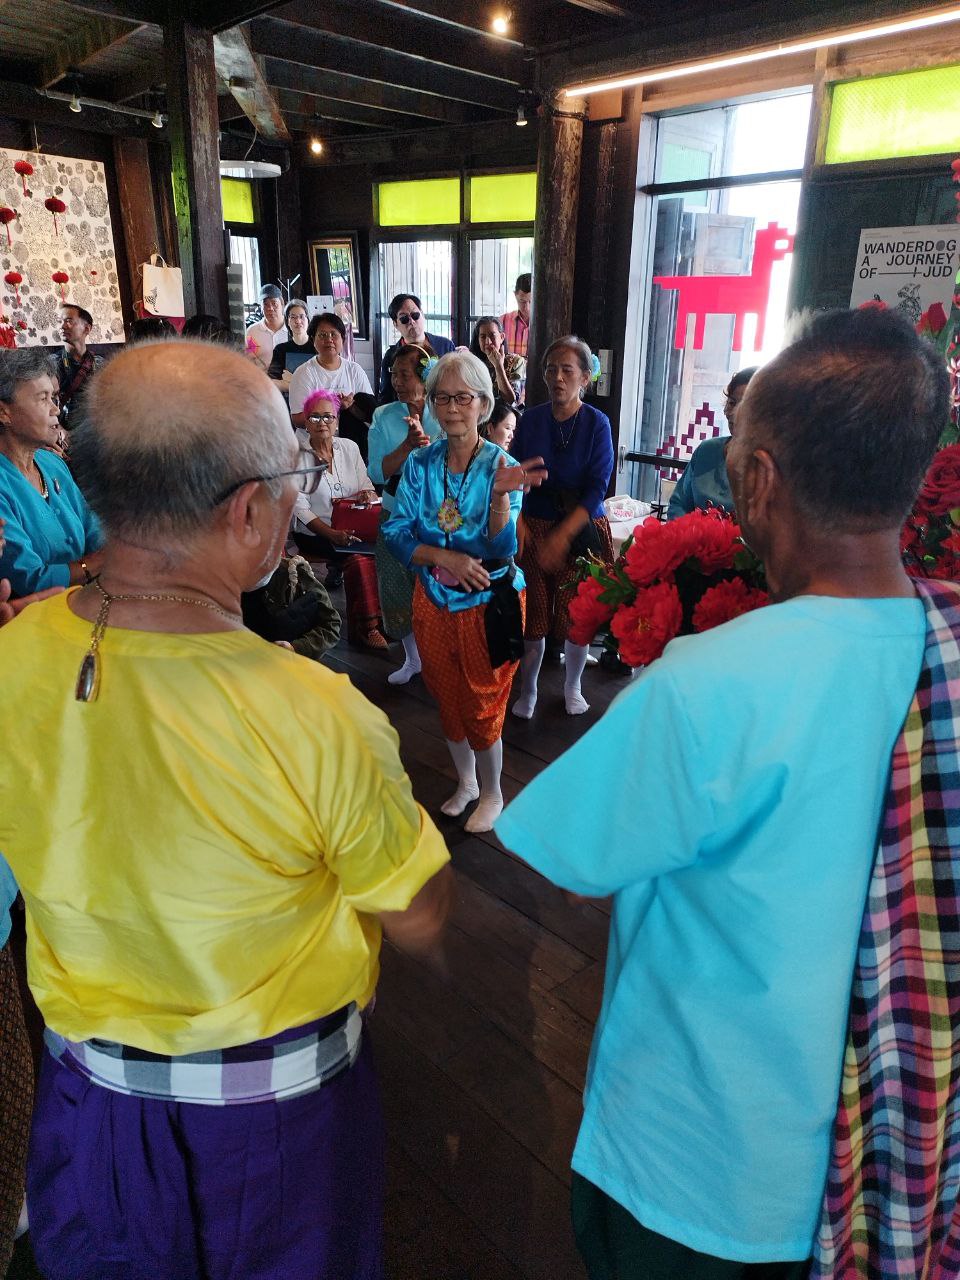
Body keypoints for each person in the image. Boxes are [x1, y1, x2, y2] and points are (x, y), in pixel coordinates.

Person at [495, 307, 953, 1279]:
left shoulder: (709, 682)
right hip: (895, 1150)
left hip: (700, 1159)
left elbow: (568, 860)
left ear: (760, 478)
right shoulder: (945, 651)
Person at [0, 338, 452, 1280]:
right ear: (250, 511)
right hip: (276, 1125)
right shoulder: (316, 713)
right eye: (292, 478)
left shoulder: (15, 654)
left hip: (88, 1105)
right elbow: (414, 909)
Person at [384, 350, 546, 833]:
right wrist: (443, 558)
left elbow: (500, 547)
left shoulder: (503, 466)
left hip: (489, 601)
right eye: (442, 397)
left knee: (482, 699)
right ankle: (468, 782)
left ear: (483, 403)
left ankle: (494, 792)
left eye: (463, 398)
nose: (452, 407)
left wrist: (498, 497)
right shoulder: (420, 463)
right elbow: (396, 531)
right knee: (446, 694)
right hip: (432, 597)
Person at [510, 336, 614, 718]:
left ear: (585, 378)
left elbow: (598, 488)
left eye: (567, 370)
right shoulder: (531, 419)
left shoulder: (597, 423)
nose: (557, 377)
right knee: (534, 615)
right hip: (534, 525)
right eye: (551, 369)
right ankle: (529, 689)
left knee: (575, 614)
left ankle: (573, 686)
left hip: (580, 527)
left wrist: (563, 536)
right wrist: (519, 519)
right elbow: (514, 473)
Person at [0, 349, 104, 596]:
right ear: (4, 412)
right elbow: (27, 579)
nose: (55, 410)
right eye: (43, 398)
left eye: (54, 397)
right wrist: (97, 563)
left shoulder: (51, 463)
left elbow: (93, 529)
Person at [368, 343, 443, 685]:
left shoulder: (443, 413)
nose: (397, 381)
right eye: (393, 374)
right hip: (394, 512)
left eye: (404, 374)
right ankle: (413, 659)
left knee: (435, 585)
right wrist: (407, 446)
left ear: (425, 377)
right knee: (396, 586)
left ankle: (439, 656)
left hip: (437, 516)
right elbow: (376, 472)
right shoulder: (384, 416)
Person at [293, 388, 387, 649]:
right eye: (314, 417)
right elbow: (300, 509)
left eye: (328, 416)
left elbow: (366, 485)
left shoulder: (349, 447)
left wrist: (367, 495)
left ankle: (388, 620)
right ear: (306, 423)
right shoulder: (298, 458)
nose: (322, 422)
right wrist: (332, 534)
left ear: (337, 421)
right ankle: (367, 628)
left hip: (353, 528)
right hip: (316, 533)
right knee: (357, 558)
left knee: (388, 549)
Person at [667, 367, 758, 519]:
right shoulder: (706, 450)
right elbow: (679, 503)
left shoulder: (770, 467)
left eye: (745, 406)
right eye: (732, 403)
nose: (733, 413)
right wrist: (686, 532)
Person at [288, 312, 375, 458]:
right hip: (312, 448)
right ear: (313, 340)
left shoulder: (354, 370)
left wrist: (352, 406)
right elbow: (297, 419)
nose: (329, 340)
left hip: (350, 446)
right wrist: (334, 407)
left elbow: (370, 412)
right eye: (322, 335)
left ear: (343, 339)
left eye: (334, 334)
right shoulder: (304, 373)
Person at [378, 294, 455, 403]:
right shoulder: (391, 356)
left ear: (422, 315)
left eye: (415, 315)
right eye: (404, 319)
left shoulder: (445, 346)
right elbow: (385, 397)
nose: (411, 321)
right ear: (395, 324)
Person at [57, 303, 103, 428]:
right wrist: (58, 429)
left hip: (93, 429)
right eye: (59, 321)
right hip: (62, 431)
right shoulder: (51, 363)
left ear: (87, 329)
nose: (62, 326)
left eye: (68, 321)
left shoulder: (100, 364)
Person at [470, 317, 526, 406]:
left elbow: (511, 401)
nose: (488, 342)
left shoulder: (516, 362)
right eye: (483, 337)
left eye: (492, 336)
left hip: (505, 413)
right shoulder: (471, 363)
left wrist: (498, 366)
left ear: (502, 337)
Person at [267, 299, 313, 390]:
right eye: (293, 317)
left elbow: (323, 383)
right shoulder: (280, 350)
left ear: (308, 319)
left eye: (301, 316)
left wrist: (292, 381)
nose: (298, 321)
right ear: (287, 322)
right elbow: (272, 382)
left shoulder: (318, 347)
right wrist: (305, 386)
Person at [245, 283, 287, 373]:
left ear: (282, 303)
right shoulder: (252, 332)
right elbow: (249, 358)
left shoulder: (292, 328)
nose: (270, 308)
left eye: (274, 303)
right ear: (261, 307)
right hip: (262, 378)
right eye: (266, 304)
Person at [500, 272, 531, 359]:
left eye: (531, 302)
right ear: (515, 295)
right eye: (522, 301)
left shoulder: (547, 326)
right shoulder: (502, 322)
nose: (527, 308)